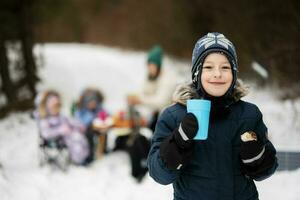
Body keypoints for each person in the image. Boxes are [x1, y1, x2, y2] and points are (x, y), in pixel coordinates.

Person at [147, 32, 278, 200]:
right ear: (196, 73)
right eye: (208, 67)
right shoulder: (173, 116)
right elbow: (159, 175)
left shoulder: (249, 115)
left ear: (234, 73)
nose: (217, 74)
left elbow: (267, 169)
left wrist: (257, 157)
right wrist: (177, 142)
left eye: (225, 67)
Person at [127, 45, 178, 132]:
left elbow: (160, 101)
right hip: (155, 114)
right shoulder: (151, 76)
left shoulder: (168, 78)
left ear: (158, 66)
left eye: (152, 65)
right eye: (149, 65)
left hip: (170, 118)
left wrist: (140, 100)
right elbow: (143, 91)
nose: (150, 68)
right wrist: (134, 98)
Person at [37, 90, 89, 165]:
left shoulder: (60, 116)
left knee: (79, 137)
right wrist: (59, 130)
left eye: (58, 107)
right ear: (48, 107)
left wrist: (77, 126)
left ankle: (84, 156)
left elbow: (69, 122)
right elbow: (45, 133)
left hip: (67, 136)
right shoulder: (45, 120)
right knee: (76, 141)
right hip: (55, 140)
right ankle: (78, 160)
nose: (56, 109)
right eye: (54, 107)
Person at [74, 88, 109, 161]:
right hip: (85, 131)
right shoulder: (81, 111)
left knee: (104, 132)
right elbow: (80, 122)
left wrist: (104, 117)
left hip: (97, 129)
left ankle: (103, 149)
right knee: (89, 136)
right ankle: (90, 154)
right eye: (90, 102)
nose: (93, 104)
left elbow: (106, 115)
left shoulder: (98, 109)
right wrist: (91, 116)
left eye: (94, 102)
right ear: (86, 103)